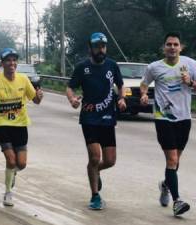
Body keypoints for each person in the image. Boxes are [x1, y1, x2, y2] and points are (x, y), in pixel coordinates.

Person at [140, 32, 196, 216]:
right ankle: (177, 201)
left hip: (184, 118)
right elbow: (144, 84)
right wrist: (144, 94)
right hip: (163, 117)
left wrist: (190, 82)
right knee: (172, 160)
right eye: (169, 44)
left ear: (180, 47)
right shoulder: (154, 67)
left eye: (175, 44)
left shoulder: (190, 64)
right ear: (164, 47)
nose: (172, 47)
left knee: (176, 160)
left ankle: (165, 185)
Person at [66, 32, 126, 210]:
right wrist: (72, 100)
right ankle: (95, 195)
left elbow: (121, 84)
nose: (100, 49)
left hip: (108, 118)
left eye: (103, 46)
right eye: (97, 46)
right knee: (94, 157)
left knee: (109, 161)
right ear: (90, 48)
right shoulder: (82, 67)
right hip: (89, 118)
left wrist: (121, 98)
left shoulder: (112, 65)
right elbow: (70, 87)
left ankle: (96, 170)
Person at [0, 48, 43, 206]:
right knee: (11, 160)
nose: (12, 63)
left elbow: (35, 100)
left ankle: (12, 173)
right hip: (2, 125)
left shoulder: (23, 79)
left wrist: (39, 96)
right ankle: (8, 192)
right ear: (2, 63)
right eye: (8, 60)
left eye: (14, 60)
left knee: (21, 164)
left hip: (20, 125)